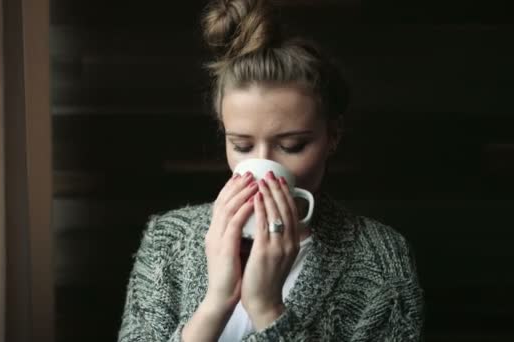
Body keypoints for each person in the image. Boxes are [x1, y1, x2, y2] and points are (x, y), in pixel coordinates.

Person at [118, 0, 424, 340]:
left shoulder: (381, 258)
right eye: (242, 146)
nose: (264, 170)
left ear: (332, 137)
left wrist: (267, 309)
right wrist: (215, 304)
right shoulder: (169, 239)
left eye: (292, 146)